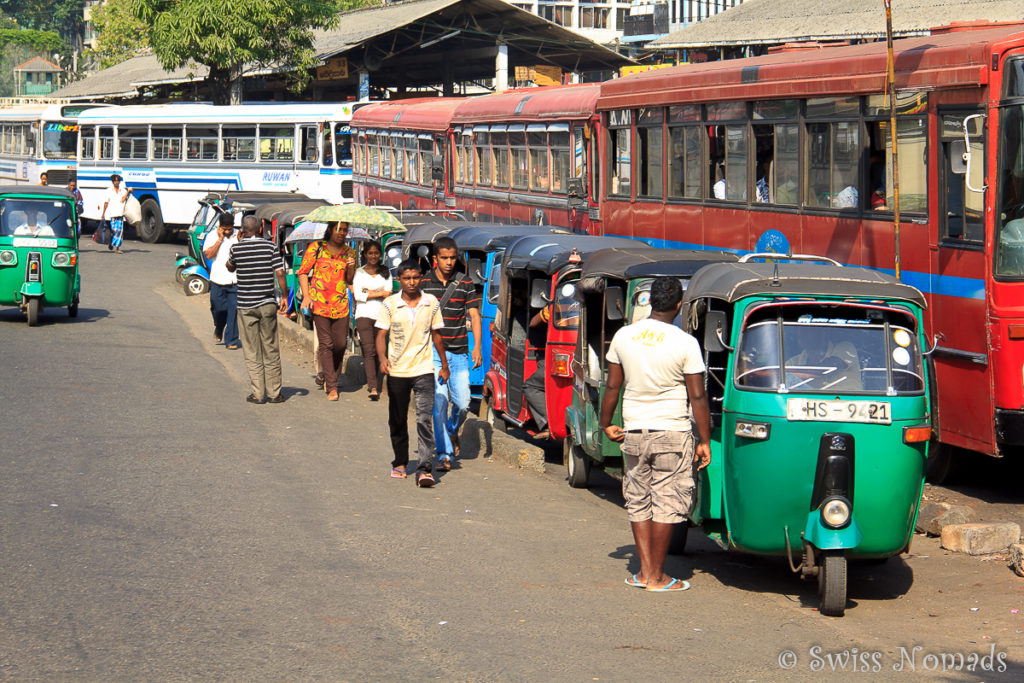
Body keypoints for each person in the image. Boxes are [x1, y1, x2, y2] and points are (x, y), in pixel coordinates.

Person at [600, 277, 712, 593]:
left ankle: (644, 572)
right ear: (679, 305)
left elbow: (612, 386)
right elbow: (698, 397)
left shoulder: (624, 336)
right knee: (666, 502)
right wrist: (704, 441)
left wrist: (606, 422)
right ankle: (659, 577)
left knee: (638, 500)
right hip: (672, 432)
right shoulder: (685, 342)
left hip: (633, 430)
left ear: (650, 301)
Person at [375, 259, 450, 487]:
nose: (411, 282)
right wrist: (382, 359)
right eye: (406, 278)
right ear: (399, 280)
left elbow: (437, 335)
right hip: (397, 370)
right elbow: (380, 335)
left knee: (424, 419)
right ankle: (400, 462)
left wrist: (444, 365)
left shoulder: (431, 302)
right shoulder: (389, 304)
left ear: (421, 278)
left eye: (415, 277)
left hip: (423, 369)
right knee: (397, 419)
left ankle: (425, 469)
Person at [419, 236, 481, 472]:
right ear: (435, 259)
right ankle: (444, 454)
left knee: (464, 403)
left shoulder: (465, 283)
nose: (448, 262)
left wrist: (476, 347)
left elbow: (474, 315)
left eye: (452, 258)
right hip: (433, 354)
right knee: (439, 403)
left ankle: (452, 431)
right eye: (444, 258)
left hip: (459, 353)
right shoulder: (423, 283)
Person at [226, 215, 288, 404]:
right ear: (261, 228)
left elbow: (229, 267)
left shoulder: (236, 248)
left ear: (243, 230)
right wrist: (284, 296)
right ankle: (275, 393)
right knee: (270, 347)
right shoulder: (270, 247)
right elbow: (279, 272)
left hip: (246, 305)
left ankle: (258, 394)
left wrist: (239, 243)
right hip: (267, 303)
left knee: (252, 350)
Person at [297, 221, 357, 401]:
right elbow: (303, 272)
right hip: (320, 303)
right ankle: (332, 386)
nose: (342, 233)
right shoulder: (316, 248)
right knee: (326, 344)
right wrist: (307, 296)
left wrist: (352, 266)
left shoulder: (349, 253)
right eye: (339, 229)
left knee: (340, 344)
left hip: (341, 304)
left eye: (345, 230)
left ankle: (328, 373)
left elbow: (349, 279)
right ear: (330, 229)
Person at [352, 240, 392, 400]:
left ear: (380, 255)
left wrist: (368, 292)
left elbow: (388, 292)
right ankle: (373, 387)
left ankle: (377, 380)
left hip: (381, 315)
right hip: (363, 315)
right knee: (369, 350)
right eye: (370, 253)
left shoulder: (385, 272)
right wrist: (378, 293)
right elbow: (358, 295)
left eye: (376, 253)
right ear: (365, 255)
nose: (373, 256)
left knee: (379, 351)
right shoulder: (359, 273)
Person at [203, 212, 241, 350]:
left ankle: (231, 339)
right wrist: (219, 240)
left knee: (233, 310)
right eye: (224, 229)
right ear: (219, 227)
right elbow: (208, 255)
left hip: (235, 281)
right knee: (218, 309)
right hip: (217, 279)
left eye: (229, 229)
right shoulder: (212, 236)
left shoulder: (239, 235)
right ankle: (219, 327)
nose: (227, 232)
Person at [100, 173, 131, 254]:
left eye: (118, 181)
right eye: (115, 181)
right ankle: (111, 242)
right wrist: (103, 213)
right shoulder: (109, 191)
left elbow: (123, 199)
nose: (116, 182)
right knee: (113, 231)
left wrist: (128, 192)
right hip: (112, 214)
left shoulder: (123, 190)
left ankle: (117, 248)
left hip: (120, 214)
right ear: (113, 182)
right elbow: (106, 203)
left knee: (119, 232)